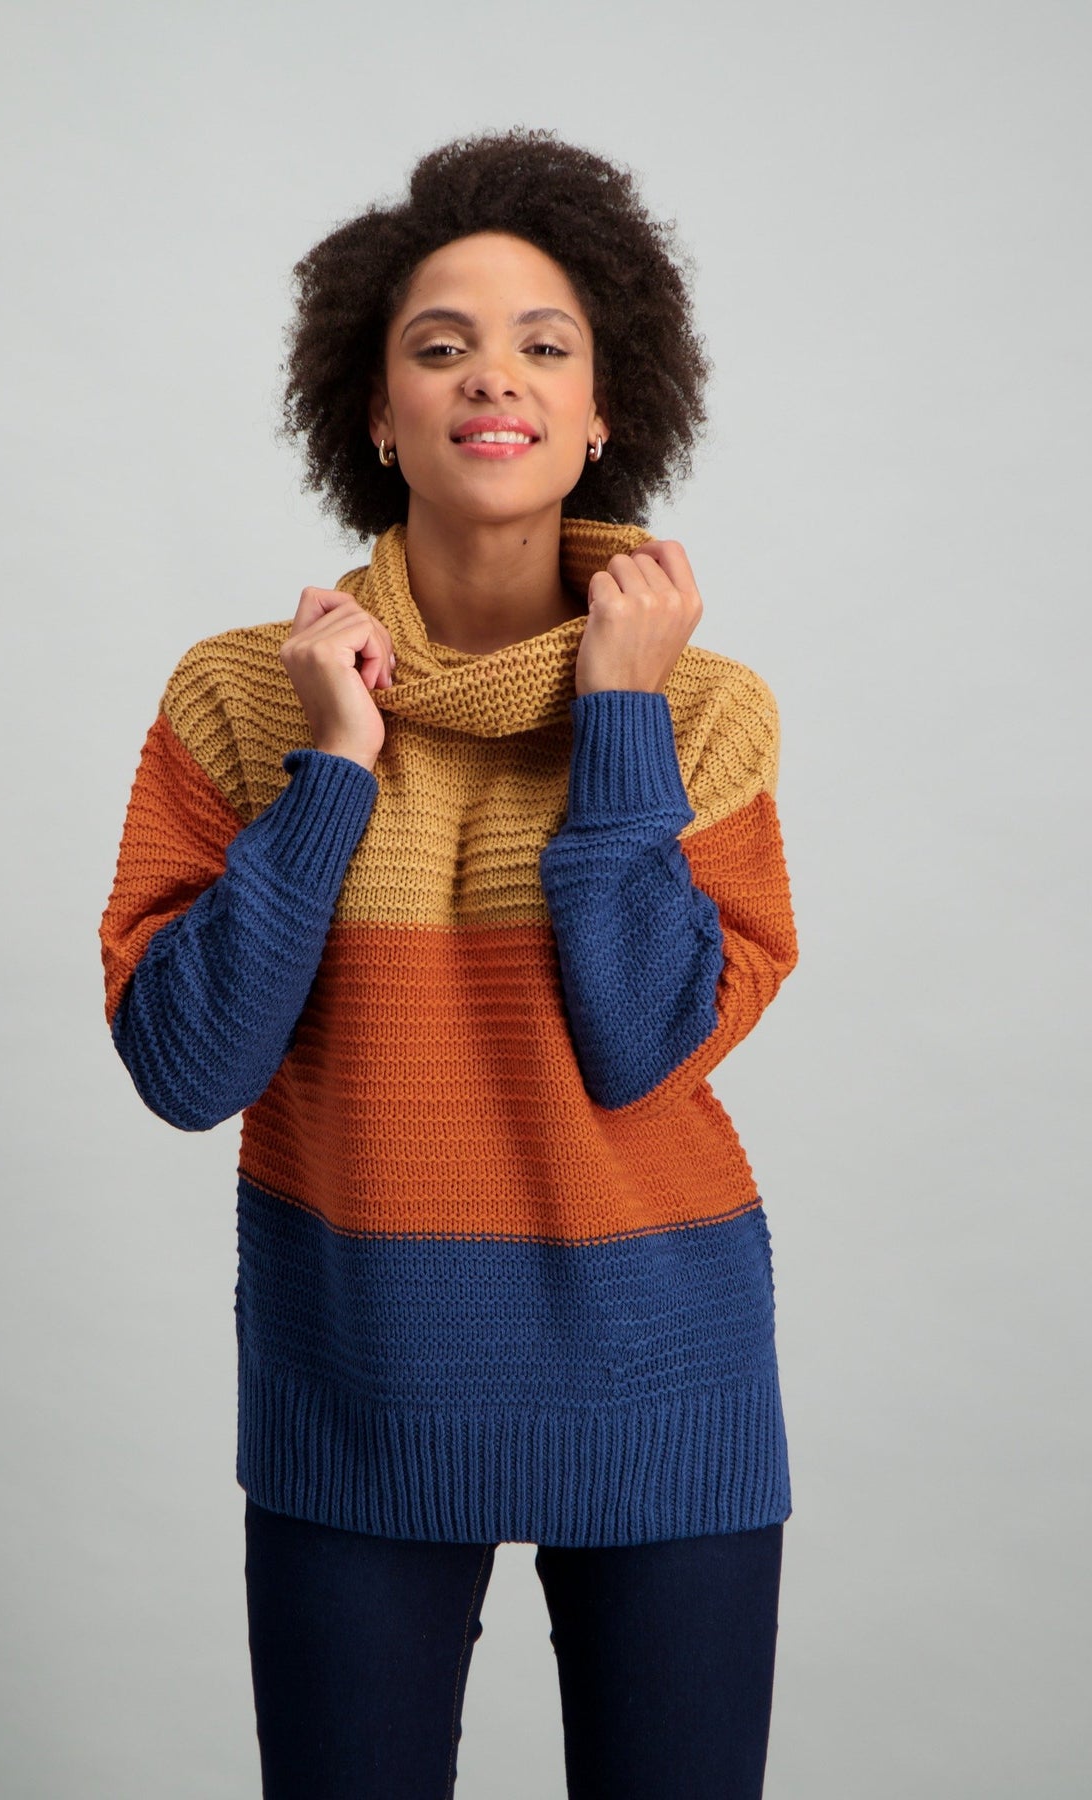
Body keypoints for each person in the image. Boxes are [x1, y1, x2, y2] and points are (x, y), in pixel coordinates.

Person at [99, 128, 800, 1800]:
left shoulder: (704, 710)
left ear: (605, 411)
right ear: (373, 407)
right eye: (442, 344)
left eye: (545, 344)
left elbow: (642, 1042)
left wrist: (620, 715)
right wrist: (334, 769)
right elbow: (187, 1068)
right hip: (358, 1389)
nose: (495, 375)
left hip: (663, 1375)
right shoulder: (245, 695)